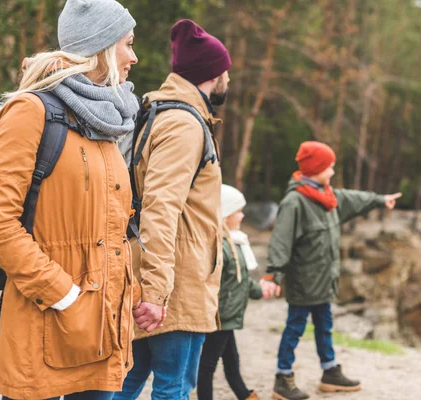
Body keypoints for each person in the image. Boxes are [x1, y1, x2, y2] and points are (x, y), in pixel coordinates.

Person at [0, 0, 145, 399]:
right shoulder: (31, 111)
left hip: (102, 329)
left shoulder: (104, 121)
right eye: (127, 43)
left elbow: (114, 224)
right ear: (100, 46)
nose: (133, 56)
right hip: (47, 319)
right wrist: (63, 293)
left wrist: (129, 293)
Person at [116, 19, 231, 400]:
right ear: (213, 73)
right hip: (175, 284)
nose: (228, 77)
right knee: (174, 386)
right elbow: (159, 209)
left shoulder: (166, 114)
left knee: (128, 380)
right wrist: (157, 291)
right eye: (225, 70)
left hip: (163, 277)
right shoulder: (183, 124)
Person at [265, 141, 402, 400]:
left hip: (324, 282)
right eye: (329, 167)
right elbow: (281, 240)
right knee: (294, 328)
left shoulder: (327, 196)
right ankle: (282, 379)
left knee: (325, 326)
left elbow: (355, 198)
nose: (332, 172)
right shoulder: (295, 201)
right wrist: (273, 275)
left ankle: (330, 372)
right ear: (316, 168)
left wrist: (380, 200)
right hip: (304, 283)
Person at [197, 185, 280, 400]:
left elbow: (239, 282)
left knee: (232, 360)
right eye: (238, 211)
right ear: (225, 214)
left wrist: (260, 291)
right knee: (207, 367)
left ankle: (245, 395)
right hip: (220, 316)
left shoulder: (235, 242)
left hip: (228, 315)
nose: (243, 215)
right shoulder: (221, 246)